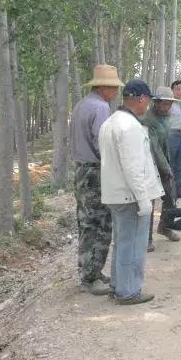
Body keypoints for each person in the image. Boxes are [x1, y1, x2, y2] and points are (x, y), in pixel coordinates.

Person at [99, 79, 164, 305]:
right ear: (141, 99)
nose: (148, 106)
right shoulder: (130, 127)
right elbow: (133, 167)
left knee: (121, 242)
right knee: (133, 244)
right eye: (147, 101)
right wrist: (143, 199)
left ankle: (117, 286)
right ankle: (128, 291)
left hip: (115, 193)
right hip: (130, 196)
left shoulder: (110, 122)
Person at [70, 64, 123, 296]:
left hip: (82, 170)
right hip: (95, 172)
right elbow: (104, 143)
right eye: (113, 87)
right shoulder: (101, 108)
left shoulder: (82, 104)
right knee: (101, 225)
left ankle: (89, 270)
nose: (115, 92)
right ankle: (91, 277)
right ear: (103, 87)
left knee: (86, 223)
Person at [139, 86, 181, 248]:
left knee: (171, 196)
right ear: (155, 103)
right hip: (150, 165)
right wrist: (166, 169)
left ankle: (165, 227)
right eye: (164, 104)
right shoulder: (147, 119)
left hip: (165, 162)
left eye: (169, 104)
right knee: (150, 200)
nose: (167, 107)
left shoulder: (167, 116)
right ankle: (146, 238)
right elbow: (154, 148)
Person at [167, 80, 181, 198]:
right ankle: (170, 192)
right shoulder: (169, 103)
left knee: (180, 164)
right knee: (171, 163)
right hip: (172, 133)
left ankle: (179, 191)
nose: (180, 91)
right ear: (172, 90)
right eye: (177, 89)